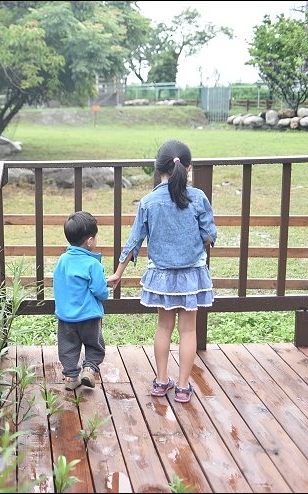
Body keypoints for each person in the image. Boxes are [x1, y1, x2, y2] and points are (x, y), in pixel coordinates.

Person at [107, 139, 217, 404]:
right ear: (187, 168)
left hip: (162, 277)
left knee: (164, 327)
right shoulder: (198, 198)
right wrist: (194, 248)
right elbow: (209, 234)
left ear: (158, 169)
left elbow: (134, 241)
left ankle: (160, 380)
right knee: (188, 331)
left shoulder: (148, 201)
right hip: (192, 275)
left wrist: (118, 272)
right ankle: (182, 387)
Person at [53, 211, 110, 391]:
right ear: (90, 241)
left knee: (68, 348)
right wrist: (107, 291)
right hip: (89, 317)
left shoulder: (62, 260)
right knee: (94, 344)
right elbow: (100, 291)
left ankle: (71, 377)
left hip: (66, 318)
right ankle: (89, 370)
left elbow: (59, 281)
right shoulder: (93, 264)